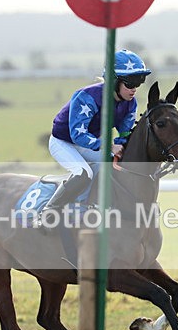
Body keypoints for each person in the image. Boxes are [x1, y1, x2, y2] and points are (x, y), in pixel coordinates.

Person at [35, 49, 151, 225]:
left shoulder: (130, 104)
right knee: (83, 173)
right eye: (130, 83)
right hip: (64, 142)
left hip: (91, 143)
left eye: (139, 82)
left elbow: (125, 134)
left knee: (115, 165)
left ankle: (93, 205)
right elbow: (78, 135)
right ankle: (47, 213)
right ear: (114, 82)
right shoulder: (87, 97)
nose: (134, 89)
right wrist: (110, 147)